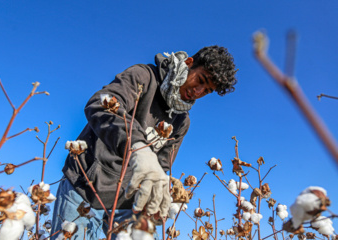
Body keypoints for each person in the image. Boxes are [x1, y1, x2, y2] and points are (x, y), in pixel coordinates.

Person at [51, 46, 238, 239]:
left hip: (127, 204)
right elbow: (100, 104)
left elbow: (162, 164)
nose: (198, 92)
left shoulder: (182, 121)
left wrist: (163, 186)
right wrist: (138, 146)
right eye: (200, 80)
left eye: (207, 91)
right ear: (189, 64)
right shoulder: (143, 77)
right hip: (85, 188)